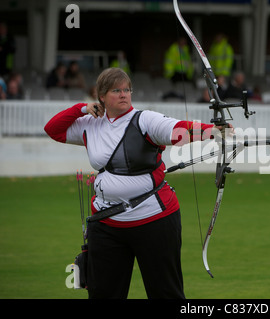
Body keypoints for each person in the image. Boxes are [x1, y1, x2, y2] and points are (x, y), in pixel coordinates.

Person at [44, 67, 232, 299]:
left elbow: (176, 130)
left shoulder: (144, 119)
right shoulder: (89, 124)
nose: (124, 94)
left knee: (165, 293)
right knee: (103, 294)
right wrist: (80, 108)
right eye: (116, 90)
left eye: (127, 89)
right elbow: (52, 129)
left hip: (154, 220)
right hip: (106, 223)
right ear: (101, 96)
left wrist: (211, 131)